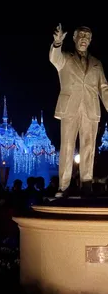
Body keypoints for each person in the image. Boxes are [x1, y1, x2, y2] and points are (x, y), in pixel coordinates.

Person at [49, 23, 108, 197]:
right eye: (81, 36)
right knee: (67, 146)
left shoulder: (97, 64)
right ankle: (64, 185)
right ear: (74, 38)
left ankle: (87, 183)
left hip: (91, 109)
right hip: (70, 108)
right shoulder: (66, 58)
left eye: (87, 37)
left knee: (89, 146)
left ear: (90, 41)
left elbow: (104, 88)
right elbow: (54, 58)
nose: (84, 39)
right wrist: (57, 44)